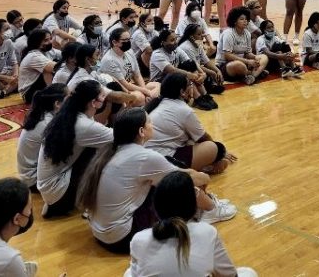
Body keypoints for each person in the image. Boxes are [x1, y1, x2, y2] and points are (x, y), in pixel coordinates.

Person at [76, 108, 222, 253]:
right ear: (141, 131)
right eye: (150, 122)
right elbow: (187, 179)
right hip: (123, 239)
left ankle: (205, 207)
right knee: (177, 183)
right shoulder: (143, 157)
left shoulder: (111, 151)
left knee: (169, 173)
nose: (153, 125)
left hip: (101, 234)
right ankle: (211, 209)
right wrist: (205, 176)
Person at [128, 171, 257, 277]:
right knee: (248, 273)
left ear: (157, 206)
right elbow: (228, 275)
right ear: (192, 204)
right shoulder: (207, 231)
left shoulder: (139, 239)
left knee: (129, 272)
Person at [37, 79, 113, 218]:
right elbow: (120, 136)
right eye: (102, 96)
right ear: (93, 102)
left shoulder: (71, 113)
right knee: (102, 151)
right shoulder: (83, 125)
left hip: (50, 188)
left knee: (97, 147)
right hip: (57, 194)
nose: (105, 98)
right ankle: (91, 204)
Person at [146, 74, 237, 175]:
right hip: (164, 162)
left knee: (191, 140)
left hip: (148, 160)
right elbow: (204, 138)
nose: (192, 87)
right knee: (215, 147)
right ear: (182, 92)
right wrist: (222, 153)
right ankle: (198, 170)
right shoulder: (184, 110)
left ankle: (199, 168)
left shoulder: (160, 104)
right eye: (190, 84)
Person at [17, 84, 66, 190]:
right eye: (69, 98)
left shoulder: (41, 114)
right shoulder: (48, 123)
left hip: (27, 176)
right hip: (34, 180)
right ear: (57, 104)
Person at [149, 31, 209, 107]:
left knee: (190, 68)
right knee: (185, 76)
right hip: (159, 81)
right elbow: (172, 70)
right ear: (163, 42)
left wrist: (202, 73)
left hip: (173, 77)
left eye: (176, 39)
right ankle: (198, 98)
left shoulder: (176, 50)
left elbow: (191, 62)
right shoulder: (157, 54)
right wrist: (189, 75)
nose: (175, 42)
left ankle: (204, 95)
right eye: (172, 40)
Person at [100, 28, 159, 104]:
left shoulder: (129, 51)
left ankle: (148, 103)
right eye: (125, 40)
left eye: (129, 39)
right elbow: (124, 85)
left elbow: (137, 75)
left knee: (156, 85)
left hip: (129, 86)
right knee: (139, 97)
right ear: (114, 42)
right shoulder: (109, 60)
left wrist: (146, 92)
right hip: (117, 92)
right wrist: (146, 92)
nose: (128, 42)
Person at [216, 7, 268, 84]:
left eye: (246, 19)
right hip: (226, 65)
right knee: (238, 64)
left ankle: (251, 76)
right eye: (242, 19)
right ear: (234, 21)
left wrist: (255, 58)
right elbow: (228, 55)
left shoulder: (247, 33)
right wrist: (248, 61)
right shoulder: (228, 34)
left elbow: (247, 53)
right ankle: (252, 74)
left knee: (263, 57)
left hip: (244, 62)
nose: (245, 21)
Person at [178, 24, 227, 94]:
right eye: (199, 34)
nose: (203, 35)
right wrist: (212, 73)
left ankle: (210, 85)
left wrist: (217, 71)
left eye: (202, 33)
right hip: (187, 71)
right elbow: (195, 66)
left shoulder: (197, 44)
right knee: (203, 74)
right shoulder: (186, 47)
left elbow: (207, 61)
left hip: (197, 68)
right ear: (191, 37)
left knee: (215, 69)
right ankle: (206, 89)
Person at [17, 28, 56, 103]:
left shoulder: (46, 51)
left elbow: (62, 55)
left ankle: (54, 93)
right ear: (37, 42)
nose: (50, 42)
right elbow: (54, 67)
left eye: (50, 39)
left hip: (38, 88)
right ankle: (53, 94)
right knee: (48, 69)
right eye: (46, 40)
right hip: (29, 93)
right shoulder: (34, 55)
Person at [131, 12, 157, 78]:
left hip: (145, 59)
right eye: (149, 21)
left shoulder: (153, 31)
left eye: (153, 20)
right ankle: (152, 73)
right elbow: (149, 50)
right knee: (148, 52)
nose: (153, 22)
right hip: (135, 61)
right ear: (142, 24)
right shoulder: (138, 34)